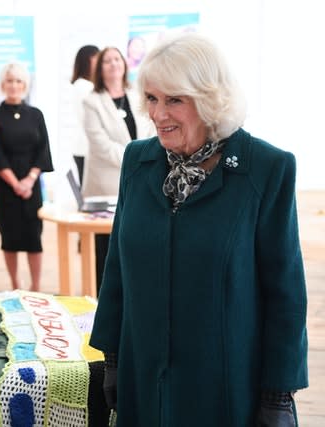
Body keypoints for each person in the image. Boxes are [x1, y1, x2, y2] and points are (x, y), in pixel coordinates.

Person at [90, 33, 308, 426]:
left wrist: (277, 395)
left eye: (175, 99)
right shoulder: (138, 161)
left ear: (209, 100)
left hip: (225, 388)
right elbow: (118, 267)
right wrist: (113, 360)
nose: (157, 114)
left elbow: (286, 294)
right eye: (152, 99)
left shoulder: (267, 169)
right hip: (145, 381)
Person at [81, 46, 154, 293]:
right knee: (106, 246)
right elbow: (100, 143)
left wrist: (145, 159)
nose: (113, 64)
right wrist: (137, 159)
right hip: (105, 184)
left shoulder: (137, 94)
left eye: (117, 59)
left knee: (135, 240)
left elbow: (151, 129)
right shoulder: (92, 101)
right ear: (100, 68)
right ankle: (103, 297)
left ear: (124, 64)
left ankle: (131, 293)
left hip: (141, 180)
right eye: (107, 61)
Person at [0, 63, 54, 291]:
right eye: (9, 81)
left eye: (18, 81)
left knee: (34, 238)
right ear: (2, 84)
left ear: (25, 84)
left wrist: (29, 179)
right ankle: (15, 284)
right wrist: (15, 183)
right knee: (10, 239)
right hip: (6, 186)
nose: (14, 85)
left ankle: (36, 286)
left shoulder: (36, 115)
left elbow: (43, 148)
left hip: (31, 184)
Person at [69, 45, 99, 183]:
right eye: (97, 59)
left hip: (84, 148)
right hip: (86, 149)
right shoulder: (84, 86)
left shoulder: (82, 85)